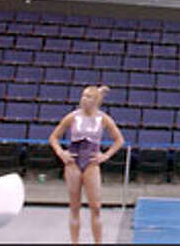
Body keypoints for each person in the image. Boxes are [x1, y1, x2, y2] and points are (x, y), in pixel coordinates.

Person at [48, 85, 124, 245]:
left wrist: (105, 156)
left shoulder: (103, 118)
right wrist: (61, 153)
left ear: (96, 101)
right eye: (83, 96)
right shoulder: (73, 117)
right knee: (74, 206)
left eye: (89, 97)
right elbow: (54, 137)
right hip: (73, 163)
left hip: (91, 163)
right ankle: (75, 242)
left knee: (95, 206)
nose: (84, 99)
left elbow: (119, 140)